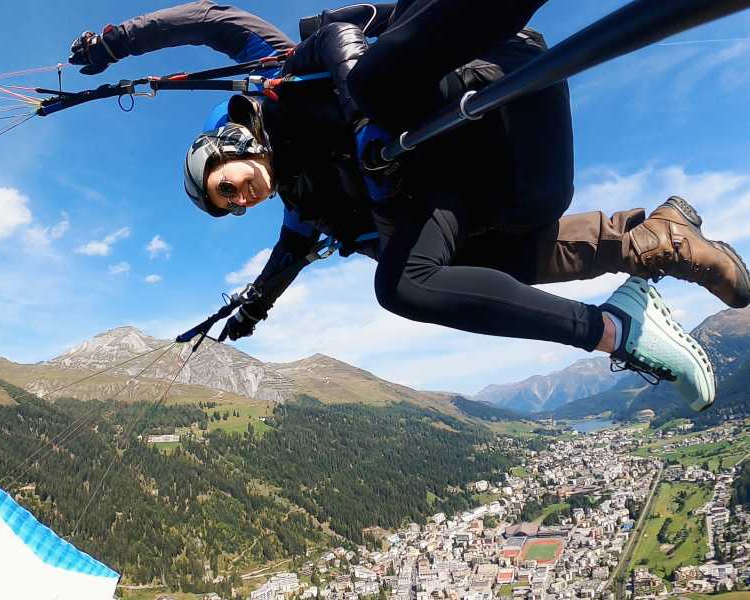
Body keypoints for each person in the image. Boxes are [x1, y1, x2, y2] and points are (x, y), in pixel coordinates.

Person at [69, 0, 750, 411]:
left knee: (371, 89)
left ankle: (621, 312)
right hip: (522, 183)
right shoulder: (305, 207)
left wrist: (118, 40)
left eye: (227, 188)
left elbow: (215, 20)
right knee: (425, 273)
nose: (241, 201)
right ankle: (650, 247)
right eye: (231, 210)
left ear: (225, 144)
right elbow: (284, 261)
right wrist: (250, 311)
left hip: (489, 83)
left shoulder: (279, 77)